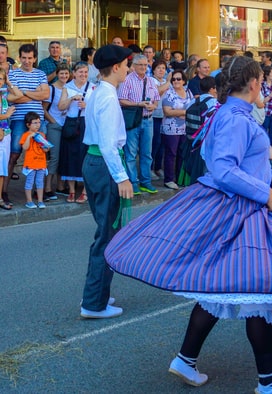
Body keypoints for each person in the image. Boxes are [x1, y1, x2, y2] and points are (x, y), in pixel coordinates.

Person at [103, 55, 272, 391]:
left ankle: (186, 359)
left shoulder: (230, 114)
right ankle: (270, 380)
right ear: (252, 84)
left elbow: (232, 160)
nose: (266, 85)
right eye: (263, 80)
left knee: (222, 290)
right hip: (240, 211)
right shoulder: (235, 118)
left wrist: (270, 175)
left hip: (237, 207)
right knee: (255, 291)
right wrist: (263, 191)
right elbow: (223, 169)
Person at [80, 44, 134, 319]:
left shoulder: (98, 91)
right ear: (116, 67)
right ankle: (94, 303)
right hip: (104, 163)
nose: (128, 69)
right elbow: (109, 145)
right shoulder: (108, 97)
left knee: (104, 232)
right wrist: (122, 177)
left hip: (94, 163)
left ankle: (98, 292)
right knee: (107, 236)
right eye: (127, 64)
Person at [5, 44, 50, 205]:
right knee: (14, 155)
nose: (26, 61)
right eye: (23, 57)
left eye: (30, 58)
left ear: (35, 58)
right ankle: (4, 191)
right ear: (19, 58)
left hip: (38, 121)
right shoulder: (14, 74)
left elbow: (46, 94)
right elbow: (10, 98)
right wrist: (34, 94)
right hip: (18, 119)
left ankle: (39, 193)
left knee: (42, 154)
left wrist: (23, 92)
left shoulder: (40, 73)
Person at [118, 54, 160, 195]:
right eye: (140, 65)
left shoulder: (150, 81)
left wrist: (153, 106)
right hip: (133, 120)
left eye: (145, 64)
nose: (143, 67)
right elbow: (121, 100)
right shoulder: (127, 80)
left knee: (146, 154)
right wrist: (138, 104)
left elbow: (156, 99)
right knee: (130, 154)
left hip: (148, 120)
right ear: (134, 66)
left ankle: (145, 182)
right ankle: (133, 182)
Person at [57, 62, 95, 204]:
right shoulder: (67, 87)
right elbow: (61, 107)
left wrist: (87, 105)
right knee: (70, 155)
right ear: (74, 73)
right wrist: (71, 99)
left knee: (85, 155)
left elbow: (98, 109)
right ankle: (72, 190)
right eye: (80, 72)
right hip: (71, 124)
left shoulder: (92, 87)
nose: (83, 75)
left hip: (86, 124)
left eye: (85, 72)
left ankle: (85, 191)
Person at [178, 76, 217, 187]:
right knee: (204, 174)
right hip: (204, 145)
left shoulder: (193, 101)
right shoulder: (213, 103)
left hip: (190, 142)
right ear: (212, 89)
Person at [160, 69, 193, 190]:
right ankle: (169, 179)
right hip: (170, 129)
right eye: (173, 79)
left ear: (184, 80)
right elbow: (167, 111)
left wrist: (178, 113)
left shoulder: (188, 92)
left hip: (185, 128)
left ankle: (180, 178)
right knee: (171, 153)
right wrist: (185, 112)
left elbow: (193, 108)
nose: (176, 81)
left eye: (179, 79)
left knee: (182, 154)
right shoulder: (169, 93)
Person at [42, 63, 70, 201]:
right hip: (54, 126)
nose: (64, 76)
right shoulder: (51, 89)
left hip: (67, 126)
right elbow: (44, 109)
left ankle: (60, 186)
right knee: (54, 157)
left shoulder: (69, 88)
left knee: (63, 156)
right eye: (61, 74)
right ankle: (47, 187)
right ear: (57, 74)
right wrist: (53, 122)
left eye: (66, 74)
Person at [19, 112, 49, 209]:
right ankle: (29, 201)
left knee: (40, 182)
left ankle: (40, 201)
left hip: (41, 163)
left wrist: (42, 142)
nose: (38, 125)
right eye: (35, 123)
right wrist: (29, 137)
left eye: (39, 122)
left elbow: (46, 149)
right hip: (30, 164)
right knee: (29, 182)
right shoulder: (25, 135)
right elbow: (25, 147)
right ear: (28, 125)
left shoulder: (42, 135)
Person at [150, 60, 170, 181]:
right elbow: (158, 91)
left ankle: (158, 167)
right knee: (154, 143)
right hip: (155, 115)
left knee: (162, 143)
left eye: (163, 68)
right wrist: (168, 81)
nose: (161, 70)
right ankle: (150, 168)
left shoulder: (165, 82)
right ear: (153, 70)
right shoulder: (151, 80)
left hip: (165, 115)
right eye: (158, 68)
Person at [0, 68, 14, 210]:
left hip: (5, 134)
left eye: (1, 79)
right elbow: (5, 114)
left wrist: (9, 83)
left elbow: (17, 94)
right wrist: (6, 115)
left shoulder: (3, 95)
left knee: (2, 169)